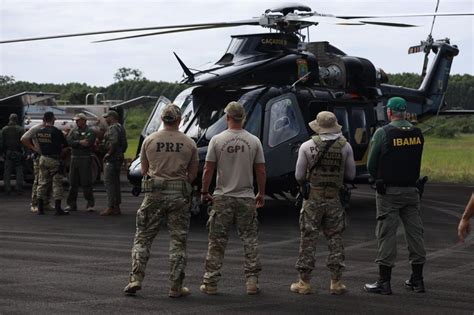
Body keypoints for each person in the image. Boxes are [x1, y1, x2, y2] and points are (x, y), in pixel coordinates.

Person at [123, 104, 198, 297]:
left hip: (154, 194)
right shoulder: (189, 143)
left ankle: (135, 279)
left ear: (163, 119)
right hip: (178, 195)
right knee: (178, 241)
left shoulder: (150, 140)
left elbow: (145, 170)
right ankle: (175, 286)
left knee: (143, 238)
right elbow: (193, 173)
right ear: (180, 120)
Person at [199, 101, 266, 295]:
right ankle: (252, 282)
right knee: (250, 240)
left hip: (223, 196)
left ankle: (211, 282)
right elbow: (261, 170)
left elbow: (208, 169)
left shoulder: (217, 140)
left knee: (217, 241)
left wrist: (204, 191)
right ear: (243, 118)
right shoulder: (254, 141)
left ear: (227, 117)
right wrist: (260, 193)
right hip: (246, 197)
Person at [364, 96, 425, 295]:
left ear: (389, 112)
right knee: (415, 234)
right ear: (405, 111)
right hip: (412, 191)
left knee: (386, 234)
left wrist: (378, 176)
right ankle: (417, 279)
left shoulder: (383, 133)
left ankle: (384, 281)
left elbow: (371, 165)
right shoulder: (418, 132)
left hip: (388, 192)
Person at [290, 111, 355, 295]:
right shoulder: (346, 146)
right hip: (334, 198)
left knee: (308, 238)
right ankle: (336, 282)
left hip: (313, 198)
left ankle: (304, 282)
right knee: (335, 238)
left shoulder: (307, 146)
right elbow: (351, 175)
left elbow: (299, 176)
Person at [34, 111, 69, 215]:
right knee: (57, 183)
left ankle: (40, 209)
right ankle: (58, 209)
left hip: (43, 158)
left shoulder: (39, 131)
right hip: (54, 159)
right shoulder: (56, 131)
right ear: (52, 119)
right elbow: (65, 145)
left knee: (42, 183)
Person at [65, 113, 96, 212]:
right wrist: (79, 142)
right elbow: (69, 141)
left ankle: (90, 204)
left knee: (86, 182)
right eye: (76, 120)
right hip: (74, 158)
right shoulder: (73, 131)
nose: (76, 122)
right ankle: (71, 204)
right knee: (73, 182)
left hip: (85, 158)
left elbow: (88, 143)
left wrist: (76, 143)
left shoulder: (90, 131)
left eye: (78, 120)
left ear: (84, 120)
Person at [21, 121, 53, 213]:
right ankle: (34, 204)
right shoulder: (36, 128)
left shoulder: (50, 129)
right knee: (38, 180)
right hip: (39, 157)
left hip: (48, 156)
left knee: (48, 181)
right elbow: (23, 138)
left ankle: (46, 203)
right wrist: (33, 148)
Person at [100, 110, 127, 216]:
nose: (106, 119)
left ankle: (110, 206)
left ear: (111, 117)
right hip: (118, 157)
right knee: (116, 183)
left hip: (112, 159)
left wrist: (108, 153)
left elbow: (113, 142)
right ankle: (116, 206)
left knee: (109, 183)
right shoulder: (121, 127)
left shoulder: (112, 128)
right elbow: (124, 144)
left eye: (107, 117)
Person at [1, 113, 25, 195]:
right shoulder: (21, 129)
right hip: (18, 153)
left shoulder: (4, 129)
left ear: (9, 119)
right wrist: (26, 153)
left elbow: (1, 143)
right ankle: (19, 189)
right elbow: (24, 142)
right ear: (17, 119)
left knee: (7, 172)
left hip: (8, 153)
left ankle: (7, 189)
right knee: (19, 171)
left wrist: (1, 153)